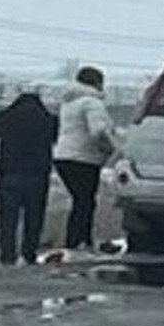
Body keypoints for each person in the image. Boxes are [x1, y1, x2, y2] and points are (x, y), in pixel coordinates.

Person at [0, 85, 59, 266]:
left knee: (8, 217)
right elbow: (58, 136)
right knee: (35, 217)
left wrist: (4, 113)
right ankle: (29, 253)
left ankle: (7, 255)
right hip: (38, 175)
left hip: (10, 174)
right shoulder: (47, 118)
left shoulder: (8, 115)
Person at [54, 66, 118, 250]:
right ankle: (79, 242)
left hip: (63, 156)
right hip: (83, 158)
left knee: (80, 200)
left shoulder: (68, 102)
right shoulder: (92, 103)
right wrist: (111, 149)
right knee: (86, 202)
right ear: (97, 83)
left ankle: (76, 241)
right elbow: (98, 131)